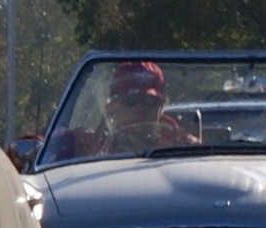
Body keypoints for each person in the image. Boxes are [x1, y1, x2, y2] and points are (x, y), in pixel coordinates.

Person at [51, 60, 197, 160]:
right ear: (111, 106)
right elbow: (45, 148)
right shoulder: (86, 144)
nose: (141, 109)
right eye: (131, 101)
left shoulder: (182, 146)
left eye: (150, 101)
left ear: (162, 107)